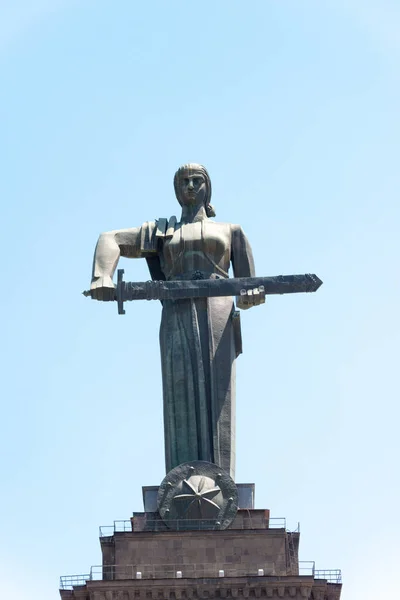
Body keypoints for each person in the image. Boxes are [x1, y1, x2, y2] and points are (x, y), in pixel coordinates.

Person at [90, 164, 264, 479]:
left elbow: (249, 283)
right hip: (177, 313)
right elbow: (110, 238)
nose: (191, 185)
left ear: (208, 188)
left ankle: (220, 478)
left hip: (218, 312)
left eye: (198, 180)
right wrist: (102, 276)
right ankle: (182, 477)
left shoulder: (231, 231)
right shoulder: (162, 231)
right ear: (176, 190)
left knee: (218, 390)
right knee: (180, 389)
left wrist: (251, 292)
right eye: (183, 181)